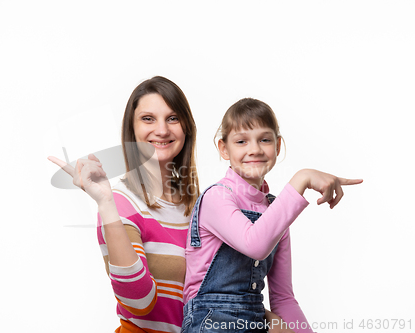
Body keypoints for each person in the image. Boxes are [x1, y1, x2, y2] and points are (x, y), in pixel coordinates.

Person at [48, 78, 296, 333]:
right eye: (148, 119)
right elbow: (138, 303)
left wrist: (263, 319)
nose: (162, 130)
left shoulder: (202, 204)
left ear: (186, 128)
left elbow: (221, 294)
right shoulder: (120, 203)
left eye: (172, 118)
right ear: (131, 131)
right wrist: (105, 203)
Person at [181, 98, 363, 333]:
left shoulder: (276, 209)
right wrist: (302, 178)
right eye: (241, 141)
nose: (254, 149)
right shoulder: (217, 197)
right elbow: (255, 244)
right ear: (224, 149)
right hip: (210, 323)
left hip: (255, 322)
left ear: (278, 146)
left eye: (264, 140)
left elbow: (283, 299)